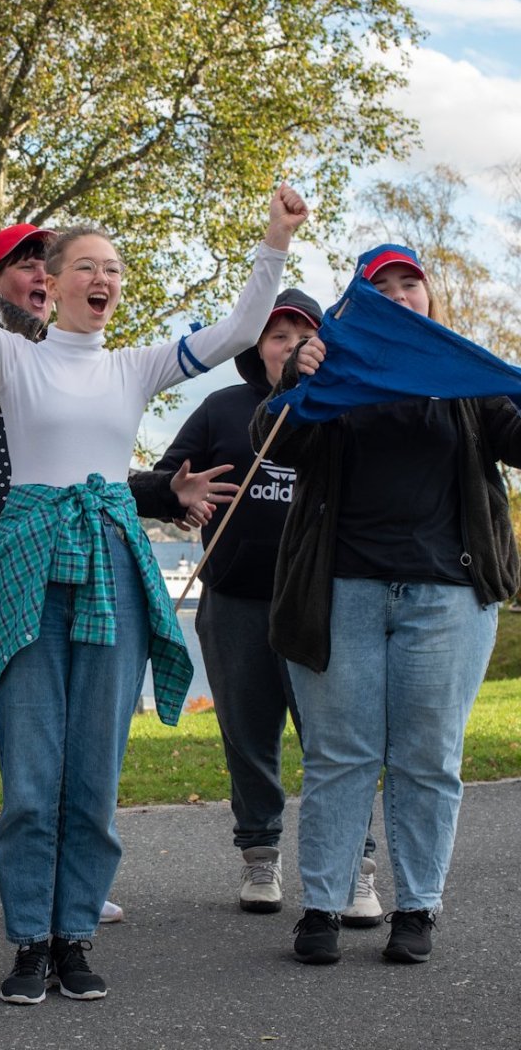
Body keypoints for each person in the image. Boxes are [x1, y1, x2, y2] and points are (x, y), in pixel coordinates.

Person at [0, 141, 306, 1003]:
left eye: (115, 269)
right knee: (29, 776)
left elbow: (240, 331)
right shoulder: (15, 356)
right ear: (52, 282)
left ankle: (74, 934)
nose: (105, 279)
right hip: (26, 566)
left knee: (94, 772)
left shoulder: (134, 366)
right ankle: (28, 940)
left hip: (109, 568)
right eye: (88, 267)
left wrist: (273, 242)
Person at [0, 77, 222, 946]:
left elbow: (91, 467)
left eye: (46, 259)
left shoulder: (82, 363)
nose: (37, 271)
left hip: (67, 568)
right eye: (23, 261)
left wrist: (159, 491)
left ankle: (66, 887)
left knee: (66, 740)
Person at [252, 243, 521, 966]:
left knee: (429, 758)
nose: (401, 296)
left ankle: (418, 907)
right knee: (341, 756)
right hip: (341, 591)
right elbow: (273, 443)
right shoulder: (336, 368)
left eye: (412, 284)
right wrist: (294, 379)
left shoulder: (464, 376)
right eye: (384, 288)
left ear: (431, 298)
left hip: (447, 597)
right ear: (360, 304)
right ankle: (323, 908)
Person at [152, 292, 383, 925]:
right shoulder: (222, 408)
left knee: (335, 741)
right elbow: (170, 479)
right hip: (233, 598)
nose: (286, 344)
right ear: (257, 346)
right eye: (275, 334)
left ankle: (357, 866)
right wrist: (184, 501)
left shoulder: (344, 404)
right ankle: (260, 853)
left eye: (299, 333)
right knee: (249, 737)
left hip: (321, 600)